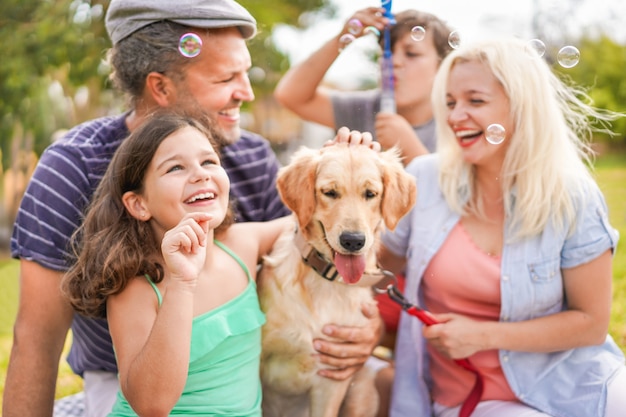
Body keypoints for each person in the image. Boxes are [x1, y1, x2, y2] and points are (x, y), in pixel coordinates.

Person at [4, 1, 382, 416]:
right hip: (127, 382)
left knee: (381, 381)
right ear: (160, 87)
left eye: (246, 74)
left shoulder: (249, 155)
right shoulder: (73, 165)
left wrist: (336, 178)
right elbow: (37, 341)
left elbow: (313, 242)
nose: (247, 92)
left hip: (247, 374)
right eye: (226, 77)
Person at [378, 37, 626, 417]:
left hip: (576, 380)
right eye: (449, 102)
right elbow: (372, 271)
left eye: (475, 101)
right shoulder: (424, 179)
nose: (456, 116)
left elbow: (591, 324)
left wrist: (482, 335)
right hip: (476, 398)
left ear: (523, 107)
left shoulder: (573, 195)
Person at [62, 112, 291, 416]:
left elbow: (308, 220)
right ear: (139, 204)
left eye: (209, 161)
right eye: (176, 168)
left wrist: (343, 156)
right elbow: (150, 405)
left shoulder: (241, 245)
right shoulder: (137, 285)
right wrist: (182, 283)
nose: (200, 174)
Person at [274, 7, 453, 164]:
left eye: (411, 53)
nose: (393, 62)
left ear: (442, 66)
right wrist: (343, 36)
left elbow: (459, 199)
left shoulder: (457, 120)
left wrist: (411, 151)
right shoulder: (366, 108)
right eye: (385, 51)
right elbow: (290, 95)